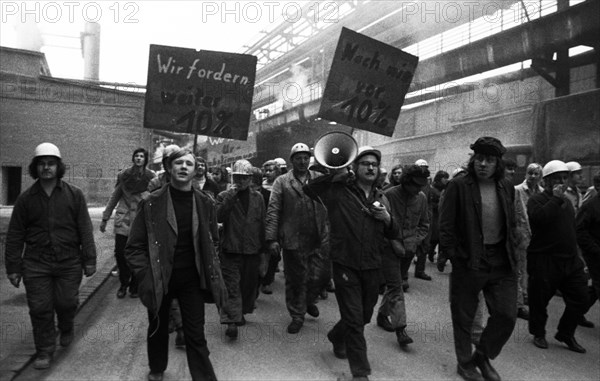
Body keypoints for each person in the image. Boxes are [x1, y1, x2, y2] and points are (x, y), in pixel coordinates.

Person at [125, 148, 227, 381]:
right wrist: (145, 275)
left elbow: (212, 242)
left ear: (195, 170)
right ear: (169, 168)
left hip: (192, 280)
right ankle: (157, 367)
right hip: (160, 277)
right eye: (178, 163)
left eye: (189, 164)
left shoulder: (205, 203)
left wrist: (212, 270)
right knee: (158, 327)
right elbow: (133, 247)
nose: (183, 167)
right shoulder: (151, 203)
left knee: (195, 334)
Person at [304, 145, 398, 381]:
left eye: (374, 165)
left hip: (372, 266)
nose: (370, 167)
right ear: (355, 168)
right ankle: (360, 372)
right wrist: (336, 175)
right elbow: (309, 190)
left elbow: (394, 233)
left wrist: (387, 220)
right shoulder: (338, 192)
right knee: (355, 320)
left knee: (364, 315)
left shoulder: (382, 198)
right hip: (345, 264)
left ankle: (337, 335)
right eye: (365, 163)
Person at [4, 143, 97, 370]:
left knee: (66, 302)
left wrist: (90, 259)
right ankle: (44, 350)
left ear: (59, 167)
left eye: (51, 163)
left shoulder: (74, 195)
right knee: (39, 307)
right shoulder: (25, 199)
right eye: (42, 164)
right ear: (35, 168)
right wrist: (13, 267)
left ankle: (66, 326)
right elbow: (15, 234)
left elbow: (85, 228)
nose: (46, 168)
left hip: (69, 262)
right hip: (36, 262)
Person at [439, 137, 518, 381]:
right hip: (470, 259)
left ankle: (482, 357)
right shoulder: (459, 185)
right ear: (473, 160)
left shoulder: (506, 186)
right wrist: (456, 256)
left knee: (506, 315)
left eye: (490, 160)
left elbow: (511, 223)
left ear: (498, 164)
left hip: (501, 259)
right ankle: (465, 364)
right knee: (463, 316)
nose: (483, 164)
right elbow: (446, 226)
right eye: (479, 159)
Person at [265, 143, 330, 334]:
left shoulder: (319, 179)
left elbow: (334, 200)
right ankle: (297, 315)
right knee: (295, 279)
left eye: (305, 157)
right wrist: (271, 238)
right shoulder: (282, 182)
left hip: (318, 236)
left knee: (321, 275)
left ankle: (309, 300)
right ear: (292, 160)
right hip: (293, 237)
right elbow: (273, 210)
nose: (302, 161)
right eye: (298, 158)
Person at [527, 160, 589, 354]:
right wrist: (555, 199)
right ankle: (538, 333)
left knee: (581, 297)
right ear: (546, 182)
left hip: (569, 261)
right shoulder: (536, 200)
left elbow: (571, 230)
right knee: (539, 300)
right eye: (557, 179)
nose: (562, 182)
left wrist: (579, 257)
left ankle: (565, 333)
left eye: (564, 178)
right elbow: (539, 219)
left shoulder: (568, 203)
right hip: (544, 260)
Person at [377, 164, 429, 347]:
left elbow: (424, 224)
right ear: (406, 181)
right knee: (396, 287)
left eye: (421, 186)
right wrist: (394, 243)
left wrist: (414, 241)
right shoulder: (389, 195)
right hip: (390, 249)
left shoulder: (421, 198)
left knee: (394, 284)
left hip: (408, 250)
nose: (418, 189)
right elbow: (382, 226)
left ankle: (382, 315)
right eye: (415, 185)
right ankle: (401, 329)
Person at [217, 160, 265, 339]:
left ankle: (240, 312)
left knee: (247, 284)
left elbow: (262, 222)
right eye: (237, 177)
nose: (241, 181)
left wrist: (264, 249)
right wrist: (231, 196)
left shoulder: (258, 198)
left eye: (245, 178)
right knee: (231, 286)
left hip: (252, 249)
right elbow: (218, 215)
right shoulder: (224, 195)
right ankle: (231, 321)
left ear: (250, 179)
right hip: (231, 247)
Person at [100, 148, 155, 299]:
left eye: (141, 156)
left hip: (141, 221)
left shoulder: (151, 177)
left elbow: (156, 200)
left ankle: (134, 285)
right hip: (123, 220)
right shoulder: (123, 176)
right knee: (120, 253)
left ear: (145, 159)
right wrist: (105, 218)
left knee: (138, 255)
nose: (138, 158)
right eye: (136, 156)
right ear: (133, 158)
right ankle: (124, 282)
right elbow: (114, 197)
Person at [513, 163, 543, 321]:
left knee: (531, 270)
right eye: (530, 173)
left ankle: (525, 295)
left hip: (537, 237)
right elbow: (512, 214)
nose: (532, 176)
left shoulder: (542, 193)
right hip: (522, 236)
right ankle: (518, 305)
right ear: (526, 174)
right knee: (520, 270)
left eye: (536, 173)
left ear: (540, 176)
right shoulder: (517, 191)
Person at [576, 171, 600, 328]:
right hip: (595, 255)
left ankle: (576, 312)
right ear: (598, 186)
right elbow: (579, 231)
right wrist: (595, 250)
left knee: (596, 288)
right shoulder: (590, 207)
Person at [413, 159, 432, 281]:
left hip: (426, 216)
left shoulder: (428, 183)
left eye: (425, 167)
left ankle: (420, 270)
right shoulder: (412, 182)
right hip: (414, 216)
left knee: (424, 245)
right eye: (422, 167)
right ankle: (402, 275)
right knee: (410, 244)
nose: (424, 169)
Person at [427, 170, 450, 263]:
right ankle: (431, 251)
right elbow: (431, 203)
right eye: (444, 178)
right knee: (435, 237)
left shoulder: (447, 188)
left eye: (447, 178)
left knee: (441, 238)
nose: (446, 180)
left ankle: (441, 256)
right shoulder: (432, 189)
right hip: (435, 215)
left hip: (443, 215)